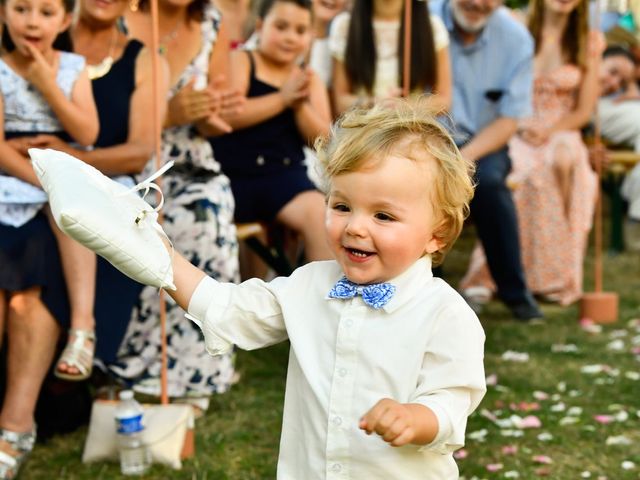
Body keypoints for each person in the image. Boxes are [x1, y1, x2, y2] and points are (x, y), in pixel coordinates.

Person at [76, 99, 486, 479]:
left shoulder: (446, 315)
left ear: (438, 233)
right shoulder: (308, 285)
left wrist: (417, 417)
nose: (355, 227)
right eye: (342, 206)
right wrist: (160, 256)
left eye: (383, 215)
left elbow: (451, 402)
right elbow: (228, 310)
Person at [16, 0, 170, 369]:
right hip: (23, 184)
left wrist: (66, 157)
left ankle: (82, 348)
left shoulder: (147, 60)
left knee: (81, 230)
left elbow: (137, 153)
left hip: (103, 186)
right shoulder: (38, 33)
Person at [111, 0, 241, 408]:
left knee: (209, 209)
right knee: (149, 225)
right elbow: (105, 109)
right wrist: (167, 112)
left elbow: (216, 115)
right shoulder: (115, 18)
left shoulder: (211, 22)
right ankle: (135, 366)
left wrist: (209, 110)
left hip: (188, 161)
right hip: (130, 162)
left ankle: (197, 370)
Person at [0, 0, 97, 474]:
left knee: (72, 215)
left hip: (61, 172)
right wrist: (42, 176)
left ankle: (83, 327)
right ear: (3, 14)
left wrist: (45, 84)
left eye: (45, 11)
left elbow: (87, 130)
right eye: (21, 8)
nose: (32, 21)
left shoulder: (72, 68)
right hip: (14, 176)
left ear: (64, 21)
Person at [461, 0, 601, 306]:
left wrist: (550, 131)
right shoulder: (516, 27)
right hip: (516, 124)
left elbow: (584, 110)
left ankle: (553, 275)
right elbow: (496, 89)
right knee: (518, 173)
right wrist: (521, 124)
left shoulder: (588, 40)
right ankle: (494, 272)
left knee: (562, 161)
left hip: (561, 128)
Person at [431, 0, 543, 320]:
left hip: (483, 144)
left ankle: (515, 294)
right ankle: (426, 289)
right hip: (427, 139)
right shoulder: (424, 20)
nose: (479, 3)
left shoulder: (517, 39)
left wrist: (462, 159)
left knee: (491, 185)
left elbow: (509, 120)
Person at [210, 0, 333, 262]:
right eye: (281, 27)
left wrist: (299, 106)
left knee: (321, 215)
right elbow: (228, 116)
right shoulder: (242, 60)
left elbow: (323, 140)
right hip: (234, 177)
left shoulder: (308, 80)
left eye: (300, 31)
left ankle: (318, 296)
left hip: (285, 177)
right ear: (260, 26)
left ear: (310, 36)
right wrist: (282, 99)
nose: (290, 37)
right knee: (253, 254)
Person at [330, 0, 452, 116]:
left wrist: (404, 106)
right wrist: (376, 104)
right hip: (362, 130)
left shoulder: (431, 27)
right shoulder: (345, 26)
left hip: (409, 130)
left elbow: (443, 100)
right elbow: (340, 101)